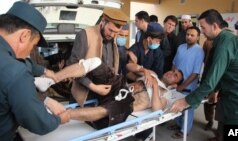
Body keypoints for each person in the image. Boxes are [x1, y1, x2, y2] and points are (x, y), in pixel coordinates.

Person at [170, 9, 238, 141]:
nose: (201, 31)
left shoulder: (225, 44)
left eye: (203, 27)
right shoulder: (224, 40)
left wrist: (186, 101)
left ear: (214, 26)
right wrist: (215, 90)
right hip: (231, 96)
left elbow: (210, 80)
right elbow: (223, 73)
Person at [34, 62, 184, 129]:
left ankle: (61, 115)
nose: (171, 73)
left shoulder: (166, 93)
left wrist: (156, 86)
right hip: (119, 86)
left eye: (175, 76)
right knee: (96, 62)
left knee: (106, 110)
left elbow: (157, 110)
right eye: (172, 71)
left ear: (174, 85)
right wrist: (145, 71)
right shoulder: (152, 73)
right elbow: (129, 66)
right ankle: (52, 78)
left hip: (127, 103)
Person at [0, 2, 71, 140]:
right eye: (33, 46)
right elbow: (37, 122)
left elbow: (22, 63)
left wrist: (45, 71)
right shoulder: (16, 72)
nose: (30, 50)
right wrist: (59, 120)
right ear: (24, 36)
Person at [66, 7, 129, 108]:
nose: (112, 35)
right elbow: (73, 66)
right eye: (110, 30)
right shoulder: (85, 35)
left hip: (104, 96)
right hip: (84, 96)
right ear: (103, 21)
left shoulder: (112, 38)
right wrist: (93, 87)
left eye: (116, 33)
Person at [169, 26, 204, 139]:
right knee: (176, 104)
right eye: (187, 34)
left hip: (189, 85)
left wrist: (183, 85)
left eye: (192, 35)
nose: (189, 37)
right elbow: (174, 63)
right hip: (176, 83)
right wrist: (171, 79)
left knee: (188, 109)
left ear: (198, 37)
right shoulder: (181, 47)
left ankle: (185, 130)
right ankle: (178, 124)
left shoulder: (199, 51)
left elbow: (195, 73)